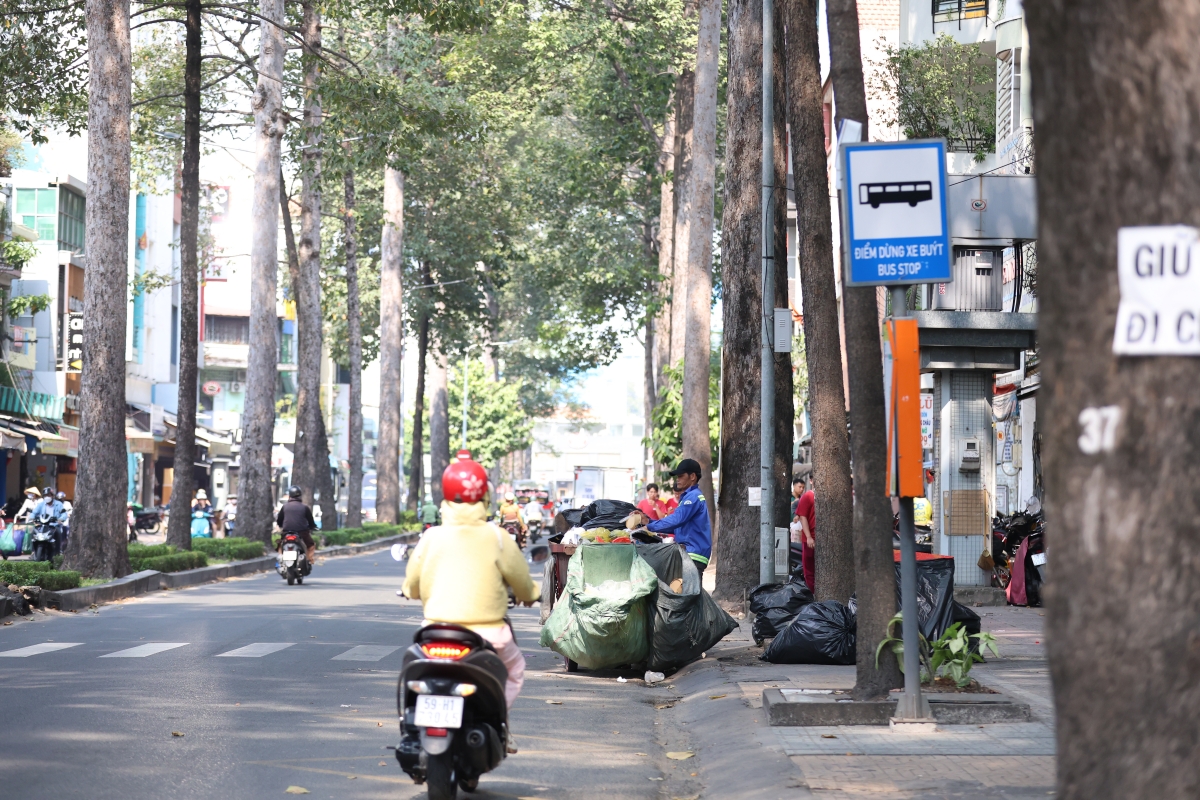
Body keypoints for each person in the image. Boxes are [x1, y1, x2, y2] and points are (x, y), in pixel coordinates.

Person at [402, 450, 538, 752]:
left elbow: (411, 586)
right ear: (486, 498)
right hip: (489, 637)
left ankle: (410, 727)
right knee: (514, 670)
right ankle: (499, 723)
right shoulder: (499, 536)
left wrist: (413, 591)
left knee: (412, 669)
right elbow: (523, 585)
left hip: (435, 634)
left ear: (445, 495)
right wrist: (532, 595)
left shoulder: (431, 537)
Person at [645, 459, 712, 574]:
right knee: (681, 590)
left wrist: (649, 526)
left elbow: (677, 520)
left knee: (687, 591)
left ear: (692, 476)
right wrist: (648, 521)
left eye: (681, 476)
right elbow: (677, 526)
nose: (678, 479)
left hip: (693, 555)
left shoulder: (693, 496)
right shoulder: (689, 496)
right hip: (690, 554)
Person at [275, 485, 317, 564]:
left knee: (280, 544)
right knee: (311, 545)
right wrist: (312, 527)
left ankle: (280, 560)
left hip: (286, 532)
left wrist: (281, 526)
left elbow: (279, 520)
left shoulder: (285, 507)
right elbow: (311, 521)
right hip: (302, 532)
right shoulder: (304, 507)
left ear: (290, 495)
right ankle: (308, 560)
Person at [794, 475, 816, 592]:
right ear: (811, 481)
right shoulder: (808, 496)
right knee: (809, 570)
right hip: (810, 538)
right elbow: (803, 517)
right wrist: (808, 537)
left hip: (818, 538)